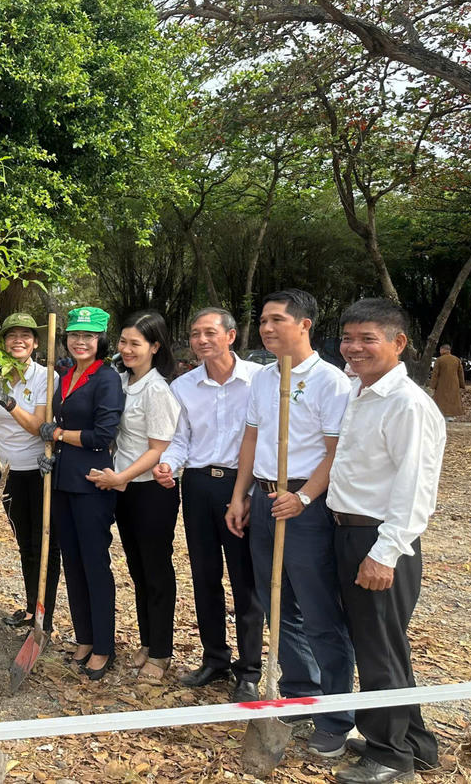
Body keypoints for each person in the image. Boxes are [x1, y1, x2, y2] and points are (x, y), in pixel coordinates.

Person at [226, 289, 355, 758]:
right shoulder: (263, 377)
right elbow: (251, 439)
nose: (266, 328)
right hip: (264, 497)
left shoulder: (331, 382)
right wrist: (240, 496)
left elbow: (335, 451)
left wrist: (302, 497)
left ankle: (337, 717)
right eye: (262, 320)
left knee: (320, 611)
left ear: (305, 324)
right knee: (276, 603)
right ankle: (301, 690)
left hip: (306, 502)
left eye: (277, 320)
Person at [329, 299, 443, 784]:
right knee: (383, 646)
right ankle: (413, 742)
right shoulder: (360, 390)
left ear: (398, 343)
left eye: (367, 339)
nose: (353, 348)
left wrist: (385, 552)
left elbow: (416, 487)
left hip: (378, 540)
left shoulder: (408, 403)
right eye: (348, 338)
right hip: (350, 531)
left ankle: (389, 756)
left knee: (379, 650)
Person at [154, 308, 264, 702]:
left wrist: (249, 493)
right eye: (195, 333)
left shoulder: (259, 381)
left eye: (210, 333)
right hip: (198, 485)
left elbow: (265, 438)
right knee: (204, 575)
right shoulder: (183, 386)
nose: (202, 340)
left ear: (231, 336)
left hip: (242, 485)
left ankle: (249, 669)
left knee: (244, 580)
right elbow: (181, 438)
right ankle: (215, 657)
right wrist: (169, 463)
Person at [87, 312, 182, 681]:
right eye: (123, 342)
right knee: (138, 570)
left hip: (149, 491)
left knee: (157, 570)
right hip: (124, 486)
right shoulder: (123, 382)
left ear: (155, 347)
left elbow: (160, 447)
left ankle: (161, 653)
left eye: (135, 344)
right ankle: (148, 641)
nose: (127, 349)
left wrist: (120, 477)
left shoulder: (158, 390)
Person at [41, 306, 124, 680]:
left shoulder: (106, 379)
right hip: (62, 478)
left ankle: (104, 645)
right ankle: (85, 637)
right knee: (72, 562)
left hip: (91, 480)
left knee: (94, 563)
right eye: (75, 335)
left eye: (88, 336)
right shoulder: (66, 375)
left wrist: (58, 435)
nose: (80, 341)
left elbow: (102, 436)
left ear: (100, 340)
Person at [0, 312, 60, 635]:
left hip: (38, 472)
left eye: (25, 335)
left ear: (36, 343)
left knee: (44, 545)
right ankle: (30, 608)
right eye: (12, 335)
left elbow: (39, 427)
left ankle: (46, 617)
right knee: (23, 542)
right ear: (3, 341)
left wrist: (9, 402)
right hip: (6, 471)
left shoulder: (45, 377)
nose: (18, 340)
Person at [429, 344, 464, 419]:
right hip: (454, 383)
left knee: (441, 399)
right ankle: (451, 416)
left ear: (443, 350)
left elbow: (435, 374)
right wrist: (461, 384)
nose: (440, 351)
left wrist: (433, 385)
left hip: (442, 383)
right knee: (452, 399)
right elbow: (460, 373)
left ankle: (443, 416)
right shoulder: (456, 359)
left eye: (440, 350)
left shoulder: (439, 360)